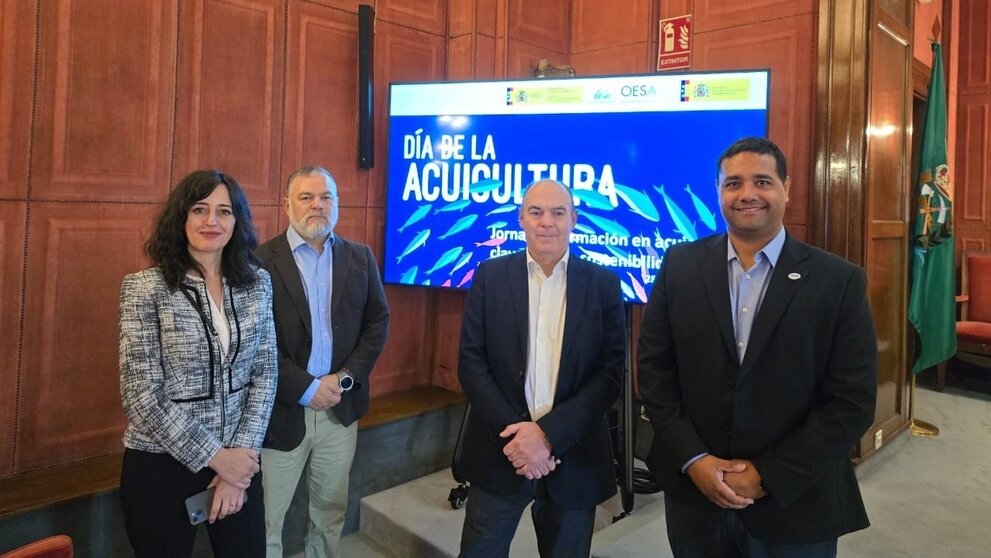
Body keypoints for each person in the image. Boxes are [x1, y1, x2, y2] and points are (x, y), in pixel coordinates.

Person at [637, 137, 878, 557]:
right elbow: (655, 372)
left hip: (795, 503)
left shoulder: (838, 282)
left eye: (762, 181)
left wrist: (766, 476)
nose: (747, 194)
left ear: (786, 187)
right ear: (718, 192)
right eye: (733, 184)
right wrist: (694, 459)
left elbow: (851, 402)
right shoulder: (680, 265)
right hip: (696, 497)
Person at [456, 179, 626, 558]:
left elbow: (610, 374)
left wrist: (547, 436)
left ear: (574, 220)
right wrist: (521, 441)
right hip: (502, 452)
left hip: (575, 456)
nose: (546, 222)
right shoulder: (490, 275)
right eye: (536, 212)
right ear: (521, 219)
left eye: (557, 212)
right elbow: (471, 362)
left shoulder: (603, 284)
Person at [118, 169, 277, 557]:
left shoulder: (257, 283)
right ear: (181, 218)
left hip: (240, 459)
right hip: (161, 465)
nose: (212, 221)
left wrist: (237, 466)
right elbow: (140, 394)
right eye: (200, 209)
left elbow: (266, 373)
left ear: (236, 222)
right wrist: (216, 458)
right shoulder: (145, 288)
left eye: (224, 211)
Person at [257, 165, 390, 558]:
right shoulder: (259, 261)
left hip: (339, 409)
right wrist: (307, 388)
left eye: (326, 197)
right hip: (280, 412)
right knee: (267, 519)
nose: (318, 205)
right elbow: (255, 345)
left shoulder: (360, 257)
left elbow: (377, 322)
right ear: (286, 205)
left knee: (330, 513)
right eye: (307, 197)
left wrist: (345, 379)